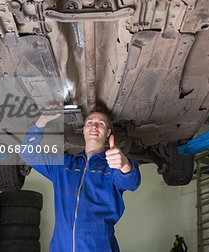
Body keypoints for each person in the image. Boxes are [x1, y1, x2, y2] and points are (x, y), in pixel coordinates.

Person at [19, 104, 141, 252]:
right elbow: (27, 153)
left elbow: (132, 183)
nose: (94, 126)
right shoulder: (63, 165)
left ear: (108, 132)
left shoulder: (111, 167)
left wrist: (124, 165)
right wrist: (41, 121)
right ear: (83, 130)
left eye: (100, 124)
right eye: (90, 123)